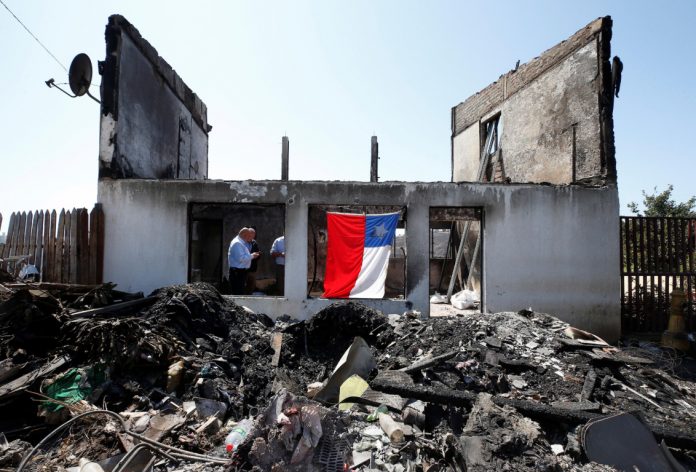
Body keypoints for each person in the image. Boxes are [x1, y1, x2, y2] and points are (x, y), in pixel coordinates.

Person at [228, 227, 260, 295]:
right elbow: (241, 258)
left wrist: (251, 255)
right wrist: (252, 256)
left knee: (239, 291)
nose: (250, 238)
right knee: (237, 292)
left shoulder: (240, 242)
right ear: (245, 235)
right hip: (237, 272)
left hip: (239, 271)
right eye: (249, 236)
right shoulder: (237, 243)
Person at [245, 227, 260, 294]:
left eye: (253, 235)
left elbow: (257, 253)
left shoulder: (254, 243)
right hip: (243, 269)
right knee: (243, 286)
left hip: (252, 268)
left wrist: (258, 254)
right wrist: (251, 255)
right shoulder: (242, 243)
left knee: (251, 287)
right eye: (251, 235)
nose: (252, 237)